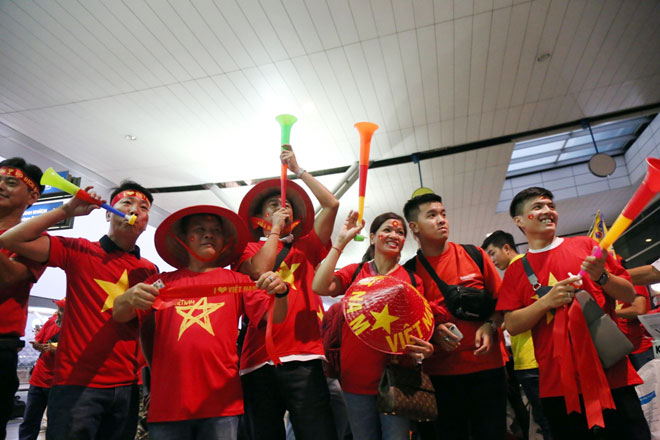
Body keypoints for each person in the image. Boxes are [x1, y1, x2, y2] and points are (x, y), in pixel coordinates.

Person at [113, 205, 290, 439]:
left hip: (222, 406)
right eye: (200, 229)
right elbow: (120, 314)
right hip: (168, 406)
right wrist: (128, 298)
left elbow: (274, 316)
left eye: (215, 230)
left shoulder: (237, 281)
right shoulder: (160, 283)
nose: (208, 234)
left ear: (224, 240)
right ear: (185, 238)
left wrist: (281, 292)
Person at [0, 181, 158, 440]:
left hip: (128, 386)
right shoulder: (79, 250)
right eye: (126, 203)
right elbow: (10, 239)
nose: (135, 210)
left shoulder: (149, 270)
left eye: (144, 207)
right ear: (108, 212)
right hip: (77, 384)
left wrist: (153, 378)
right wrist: (68, 210)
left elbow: (147, 329)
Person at [496, 187, 650, 439]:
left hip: (612, 374)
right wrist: (546, 302)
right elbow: (511, 324)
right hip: (558, 385)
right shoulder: (516, 271)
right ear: (519, 221)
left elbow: (628, 294)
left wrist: (602, 275)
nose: (547, 211)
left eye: (550, 206)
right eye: (537, 207)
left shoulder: (587, 246)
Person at [236, 146, 339, 440]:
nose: (282, 207)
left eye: (287, 204)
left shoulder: (307, 246)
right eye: (273, 204)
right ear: (259, 216)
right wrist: (274, 233)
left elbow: (331, 205)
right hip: (257, 361)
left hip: (304, 357)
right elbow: (258, 271)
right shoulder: (248, 250)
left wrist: (298, 170)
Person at [312, 211, 434, 439]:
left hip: (397, 380)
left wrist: (424, 350)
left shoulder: (413, 280)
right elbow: (319, 286)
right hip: (355, 380)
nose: (394, 235)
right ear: (372, 237)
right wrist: (340, 242)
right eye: (387, 230)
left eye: (400, 232)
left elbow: (419, 329)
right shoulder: (356, 272)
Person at [402, 192, 507, 440]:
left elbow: (503, 303)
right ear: (414, 227)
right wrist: (432, 333)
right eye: (432, 215)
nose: (441, 220)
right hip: (441, 376)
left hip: (488, 370)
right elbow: (408, 327)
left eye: (443, 214)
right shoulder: (408, 273)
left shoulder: (475, 255)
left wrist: (490, 325)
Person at [482, 231, 552, 440]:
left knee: (545, 420)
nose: (492, 261)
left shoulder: (516, 270)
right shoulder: (532, 266)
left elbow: (511, 322)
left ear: (506, 248)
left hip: (531, 359)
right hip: (543, 354)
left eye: (493, 253)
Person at [0, 157, 45, 439]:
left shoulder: (35, 238)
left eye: (10, 182)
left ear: (32, 195)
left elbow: (8, 279)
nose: (1, 186)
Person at [19, 299, 64, 440]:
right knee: (30, 421)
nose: (58, 312)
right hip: (39, 379)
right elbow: (39, 342)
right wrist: (38, 345)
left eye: (62, 309)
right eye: (58, 308)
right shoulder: (51, 322)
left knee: (55, 424)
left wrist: (57, 348)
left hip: (58, 382)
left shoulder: (75, 328)